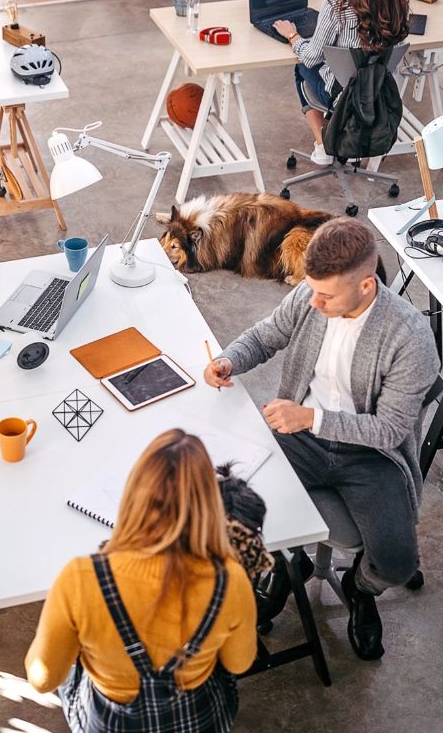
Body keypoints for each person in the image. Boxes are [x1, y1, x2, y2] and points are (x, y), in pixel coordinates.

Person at [204, 218, 438, 661]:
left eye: (326, 295)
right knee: (229, 498)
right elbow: (266, 335)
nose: (314, 302)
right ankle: (283, 567)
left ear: (366, 285)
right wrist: (229, 360)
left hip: (371, 456)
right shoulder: (312, 296)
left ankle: (359, 588)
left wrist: (311, 416)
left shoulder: (410, 337)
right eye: (311, 290)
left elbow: (388, 430)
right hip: (298, 438)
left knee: (396, 562)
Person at [26, 430, 256, 733]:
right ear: (209, 504)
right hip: (198, 720)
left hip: (112, 723)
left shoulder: (81, 579)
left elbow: (43, 680)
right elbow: (239, 663)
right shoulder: (230, 579)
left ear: (134, 495)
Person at [273, 0, 409, 165]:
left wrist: (293, 36)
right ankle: (339, 133)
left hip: (342, 97)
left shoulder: (337, 5)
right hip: (380, 93)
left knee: (301, 69)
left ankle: (322, 143)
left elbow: (312, 57)